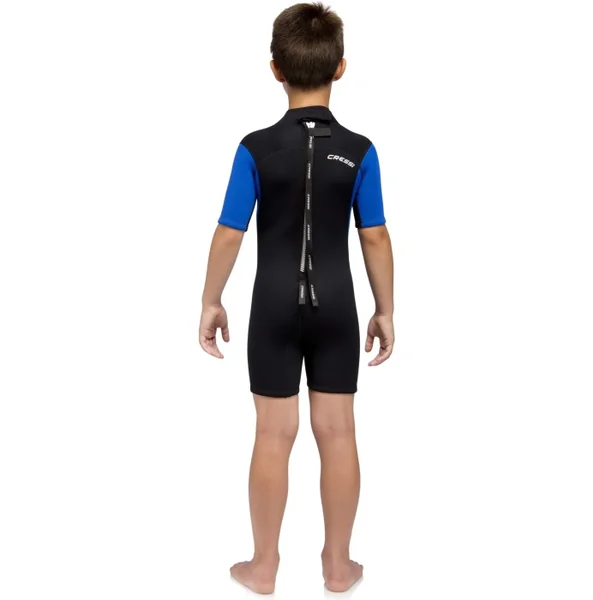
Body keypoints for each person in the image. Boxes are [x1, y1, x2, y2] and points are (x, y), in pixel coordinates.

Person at [199, 2, 394, 594]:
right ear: (341, 67)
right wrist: (385, 309)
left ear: (275, 69)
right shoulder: (360, 151)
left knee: (271, 435)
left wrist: (211, 300)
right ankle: (338, 565)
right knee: (338, 433)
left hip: (272, 308)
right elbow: (375, 235)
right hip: (338, 306)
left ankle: (263, 567)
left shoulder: (255, 148)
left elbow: (229, 231)